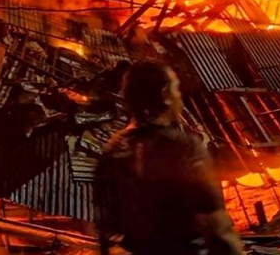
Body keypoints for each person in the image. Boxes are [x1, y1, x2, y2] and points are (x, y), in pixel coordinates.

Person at [93, 59, 243, 255]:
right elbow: (214, 222)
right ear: (165, 95)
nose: (180, 98)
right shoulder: (182, 147)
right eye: (176, 90)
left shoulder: (111, 151)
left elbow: (105, 227)